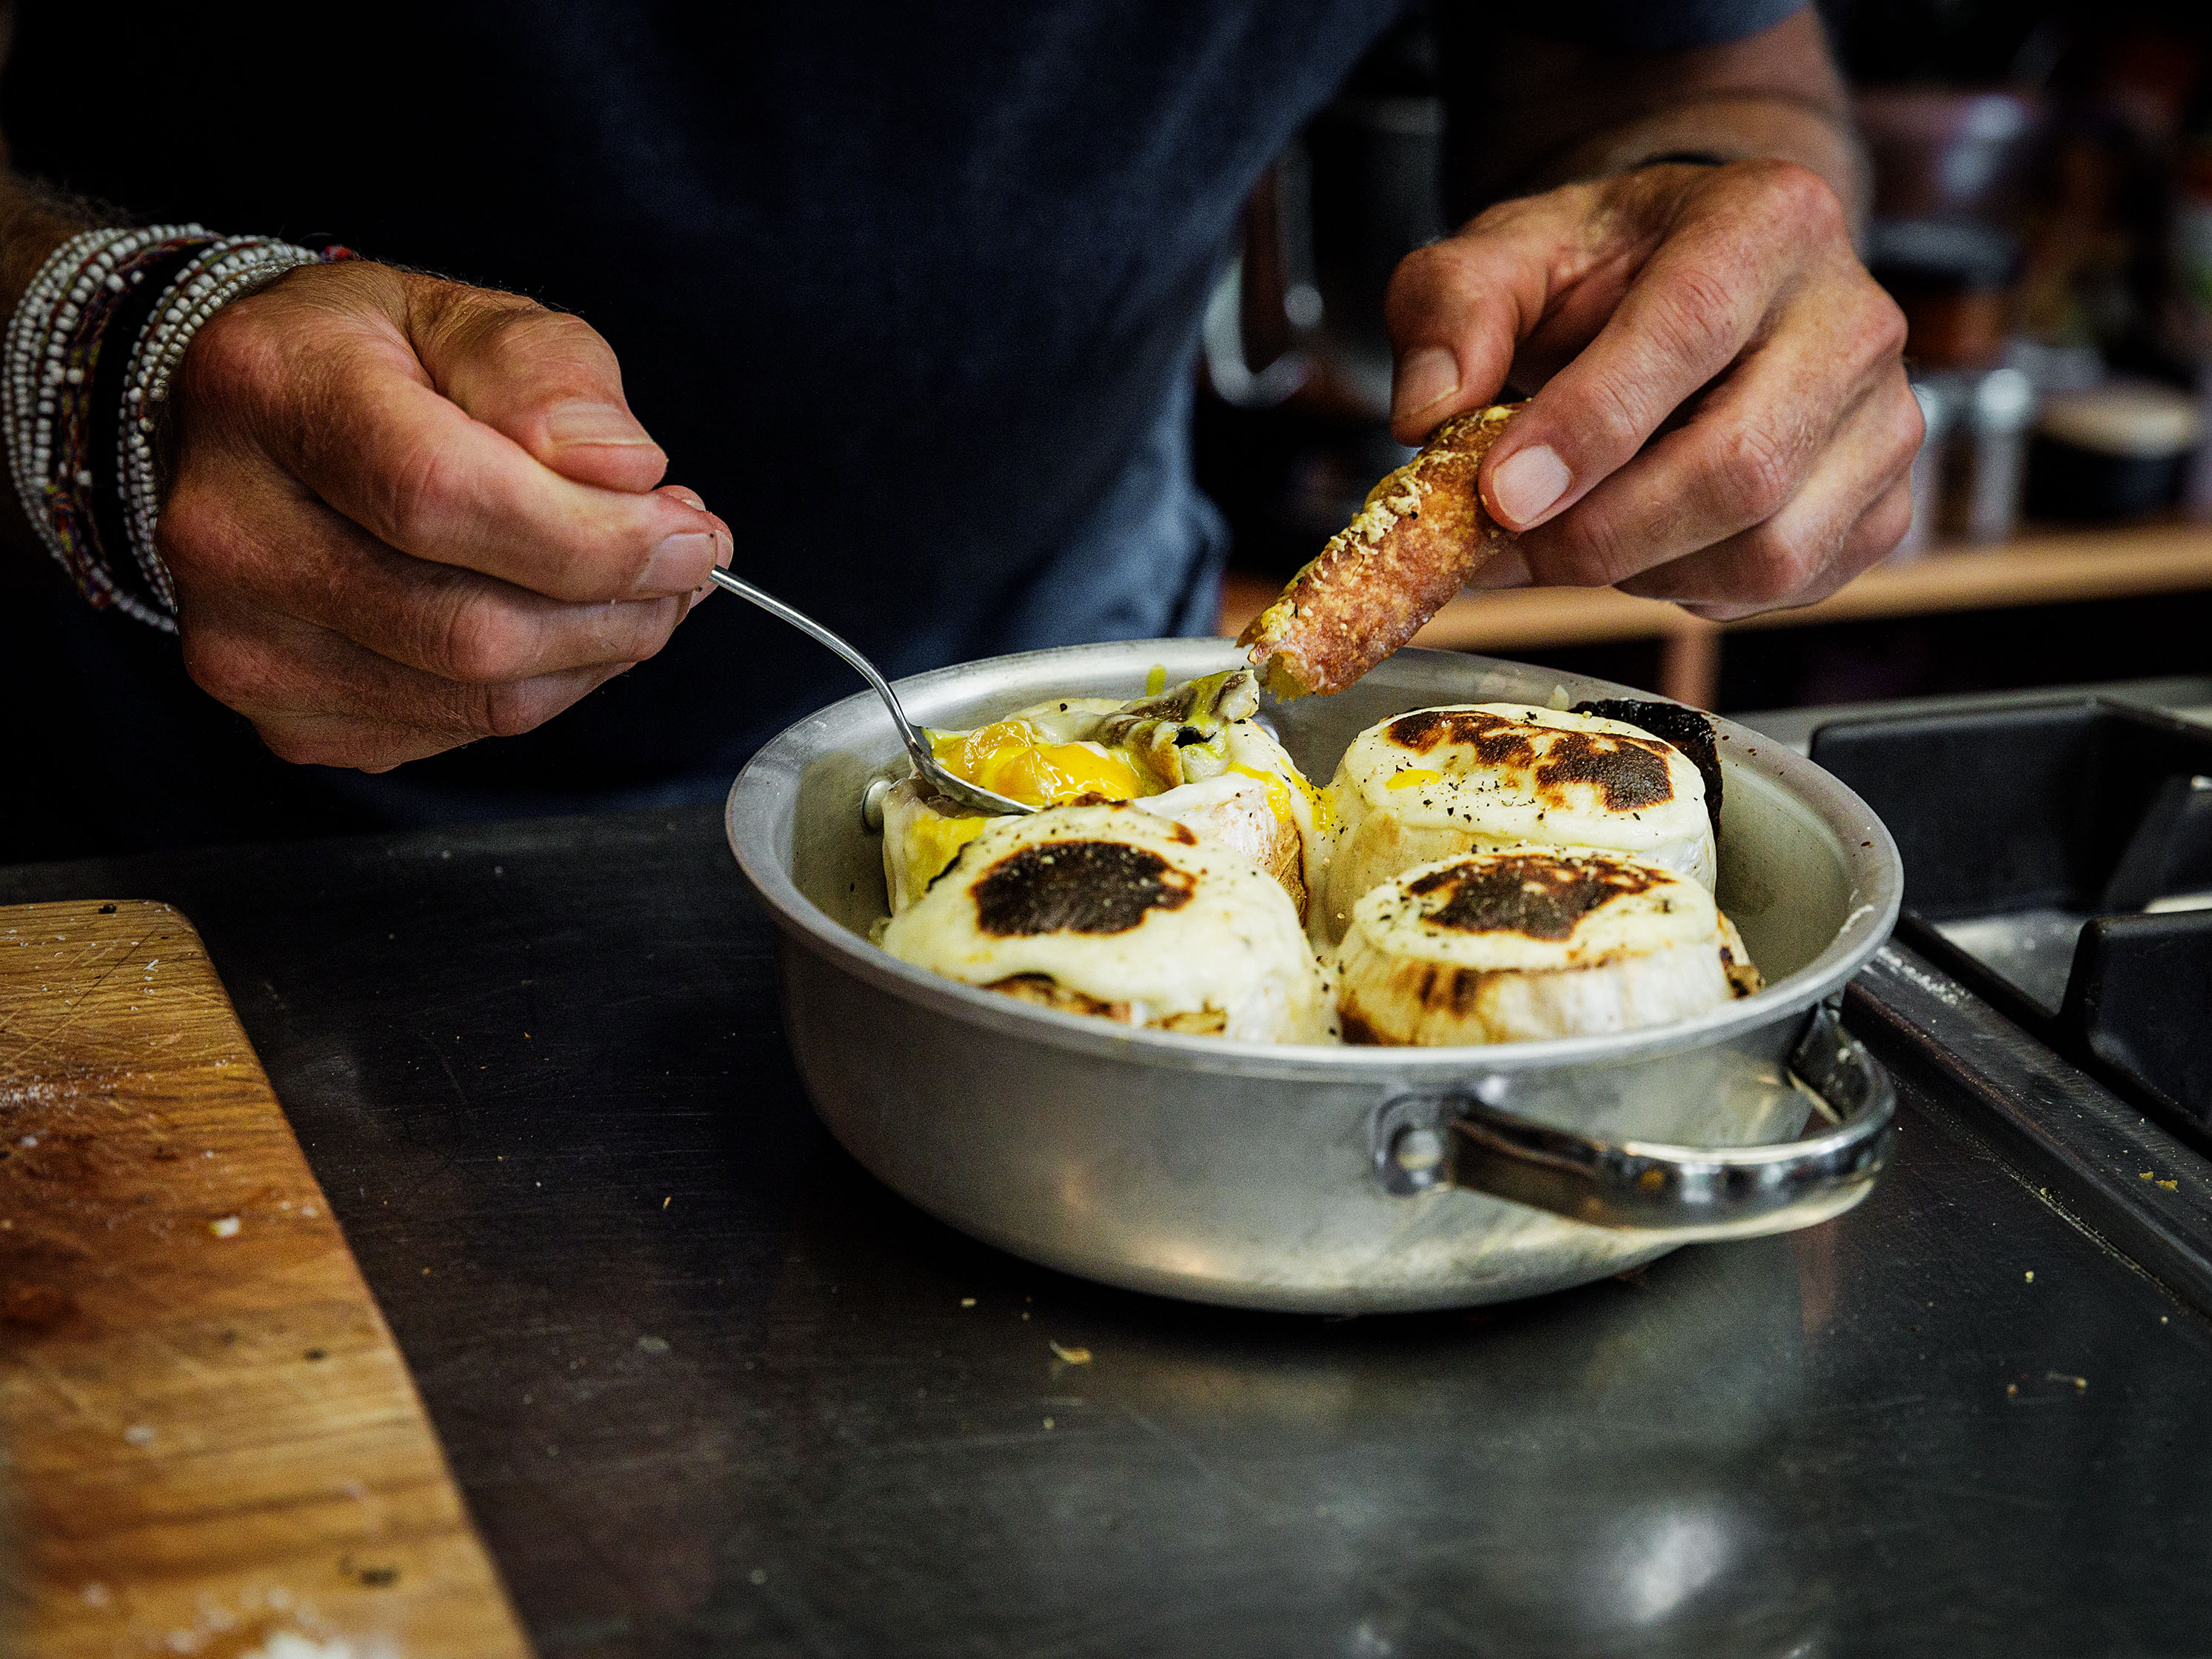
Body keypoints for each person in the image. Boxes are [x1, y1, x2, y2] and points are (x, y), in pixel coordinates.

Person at [0, 1, 1916, 859]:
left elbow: (1663, 52)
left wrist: (1707, 227)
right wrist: (83, 348)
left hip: (1107, 734)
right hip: (147, 844)